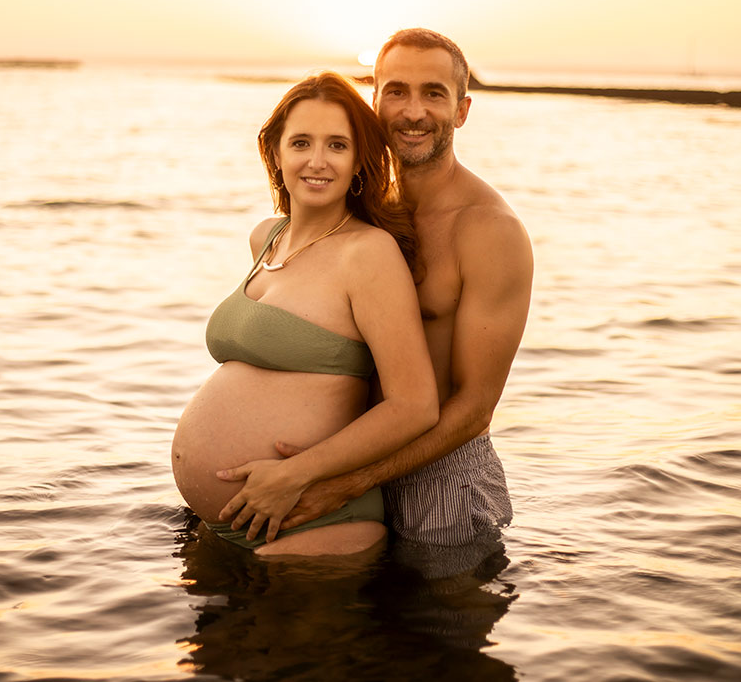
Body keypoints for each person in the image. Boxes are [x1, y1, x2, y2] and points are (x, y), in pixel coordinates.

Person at [219, 29, 533, 551]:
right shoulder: (366, 212)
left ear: (462, 110)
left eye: (434, 93)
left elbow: (476, 406)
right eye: (397, 91)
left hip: (438, 482)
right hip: (345, 464)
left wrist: (345, 483)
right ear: (375, 100)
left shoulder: (488, 230)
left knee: (435, 629)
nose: (413, 111)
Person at [171, 71, 439, 556]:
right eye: (301, 143)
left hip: (312, 524)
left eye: (337, 145)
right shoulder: (265, 238)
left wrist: (296, 473)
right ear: (275, 152)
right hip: (233, 525)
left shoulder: (368, 253)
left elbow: (415, 405)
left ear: (359, 160)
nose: (318, 161)